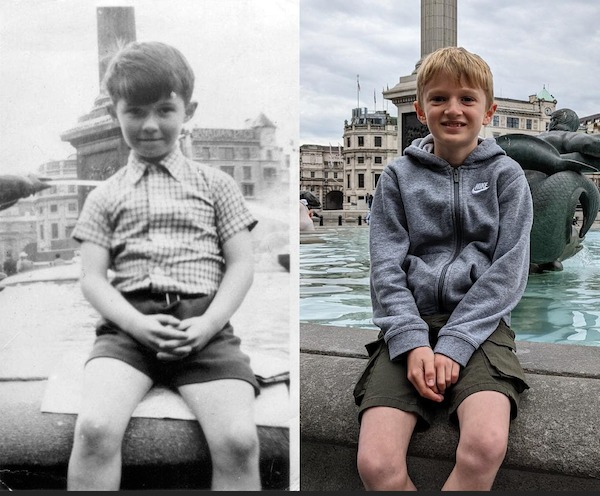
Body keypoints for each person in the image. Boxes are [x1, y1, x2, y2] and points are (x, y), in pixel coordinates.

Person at [67, 41, 261, 491]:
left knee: (239, 440)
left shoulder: (217, 185)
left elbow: (241, 266)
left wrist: (209, 324)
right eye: (135, 112)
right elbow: (93, 279)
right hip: (126, 331)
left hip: (204, 326)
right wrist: (136, 324)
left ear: (187, 110)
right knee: (94, 429)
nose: (150, 125)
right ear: (115, 113)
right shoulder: (104, 195)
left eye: (164, 110)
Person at [353, 46, 533, 491]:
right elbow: (386, 270)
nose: (453, 109)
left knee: (486, 445)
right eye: (439, 99)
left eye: (467, 99)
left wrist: (454, 343)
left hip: (482, 327)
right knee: (376, 464)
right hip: (407, 324)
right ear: (420, 109)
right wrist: (412, 341)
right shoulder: (397, 176)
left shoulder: (508, 176)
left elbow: (508, 272)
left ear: (488, 110)